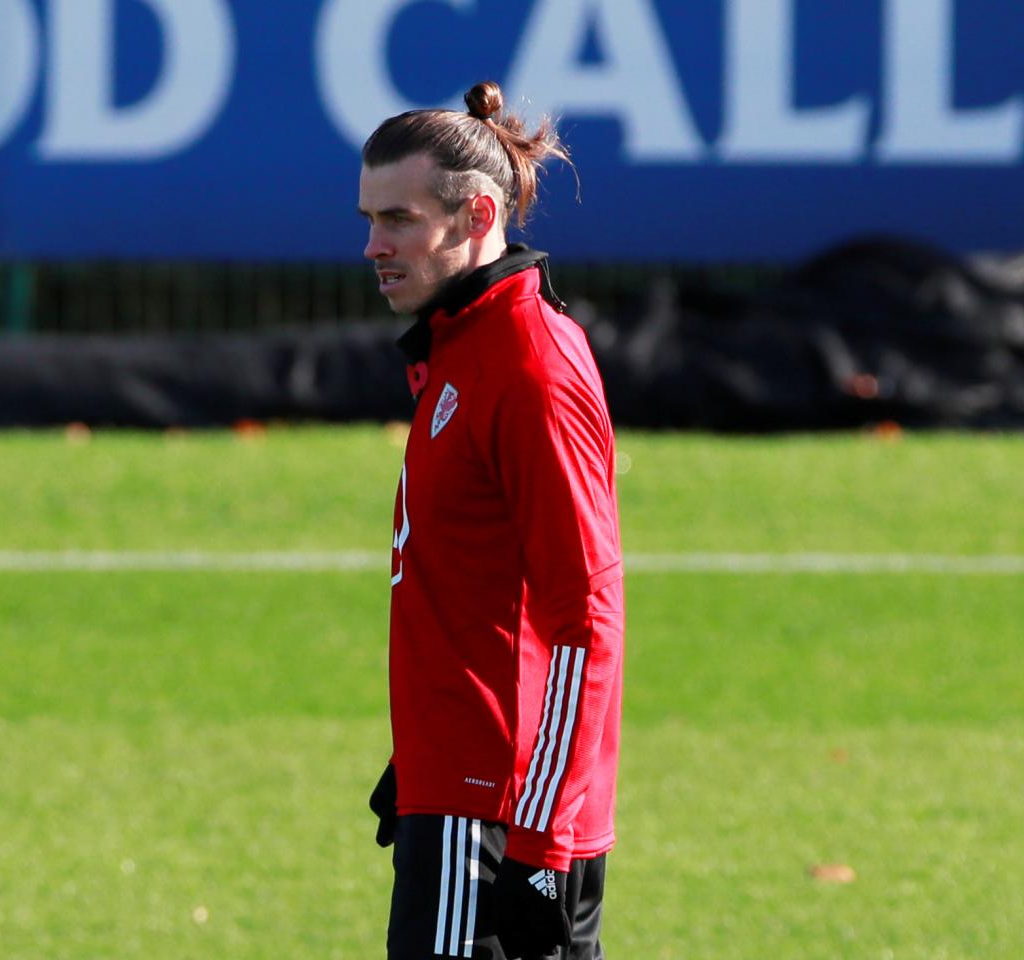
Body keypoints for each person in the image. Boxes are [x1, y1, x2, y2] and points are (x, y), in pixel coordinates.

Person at [361, 81, 624, 960]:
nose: (373, 246)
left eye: (397, 220)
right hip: (467, 793)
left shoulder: (528, 363)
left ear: (477, 214)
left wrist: (541, 845)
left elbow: (585, 614)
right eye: (368, 219)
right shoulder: (462, 347)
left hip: (501, 818)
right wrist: (425, 752)